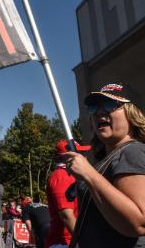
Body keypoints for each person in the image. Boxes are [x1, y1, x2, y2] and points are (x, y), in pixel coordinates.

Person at [64, 83, 145, 247]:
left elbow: (138, 224)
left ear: (131, 113)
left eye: (110, 105)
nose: (100, 112)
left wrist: (89, 175)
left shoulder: (132, 151)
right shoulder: (108, 158)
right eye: (94, 107)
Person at [45, 139, 90, 248]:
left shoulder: (70, 175)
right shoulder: (62, 176)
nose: (84, 156)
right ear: (67, 157)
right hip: (65, 242)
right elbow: (66, 215)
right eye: (80, 153)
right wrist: (84, 241)